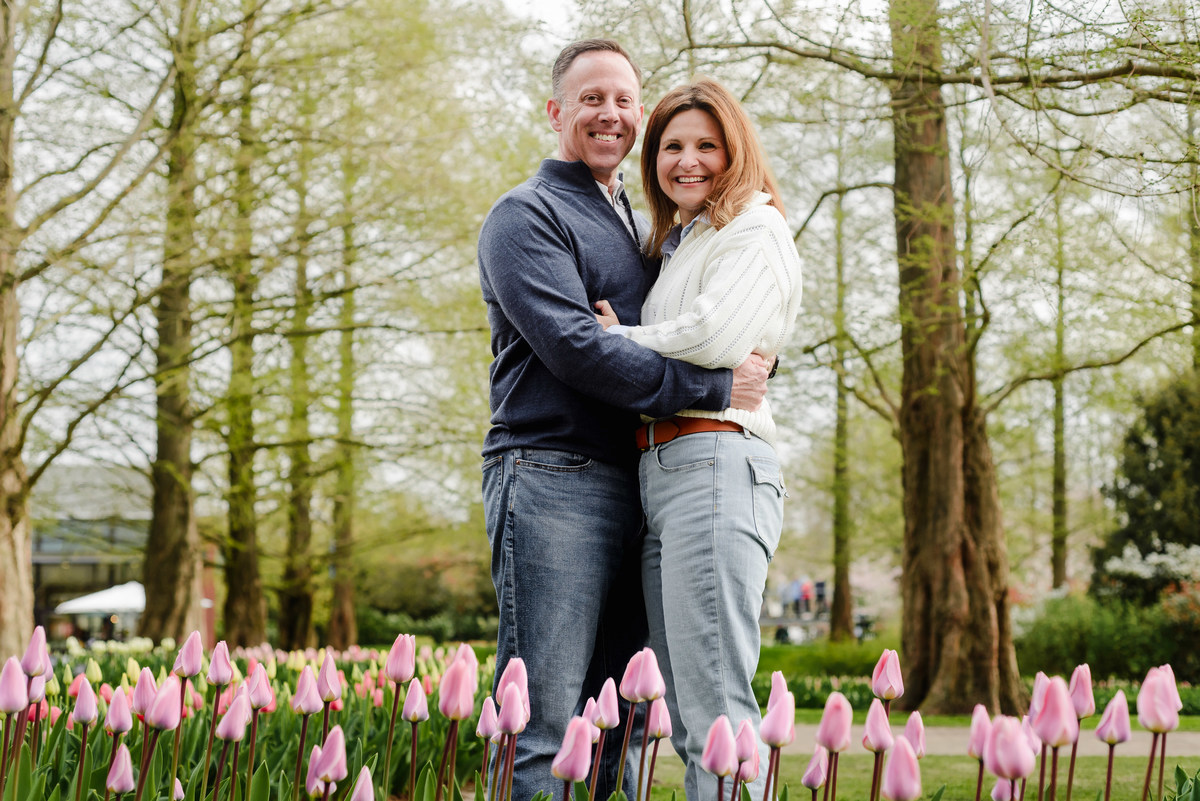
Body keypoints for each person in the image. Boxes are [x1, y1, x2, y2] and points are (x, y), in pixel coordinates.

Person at [476, 42, 772, 801]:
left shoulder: (646, 230)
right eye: (590, 98)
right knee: (540, 723)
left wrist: (731, 367)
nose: (610, 113)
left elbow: (694, 332)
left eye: (623, 100)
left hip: (641, 481)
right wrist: (714, 385)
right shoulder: (525, 216)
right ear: (556, 112)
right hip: (550, 475)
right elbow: (579, 350)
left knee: (609, 722)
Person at [594, 78, 803, 801]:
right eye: (672, 146)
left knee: (716, 704)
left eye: (706, 145)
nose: (688, 161)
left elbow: (716, 336)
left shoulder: (756, 225)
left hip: (717, 461)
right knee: (687, 714)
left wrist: (619, 339)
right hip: (667, 469)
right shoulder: (687, 241)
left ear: (734, 150)